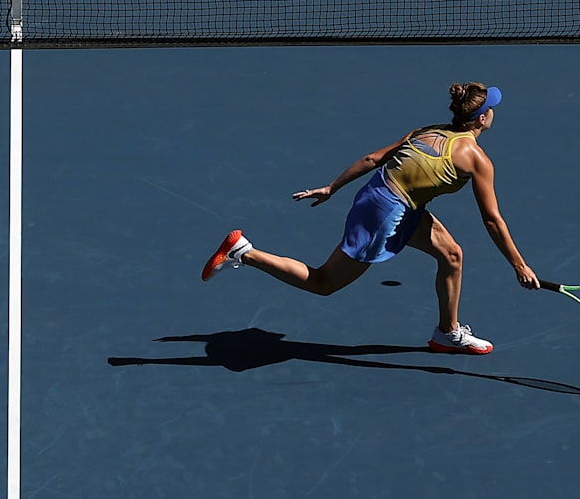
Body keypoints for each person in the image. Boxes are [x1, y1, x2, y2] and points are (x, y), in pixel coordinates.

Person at [201, 83, 542, 355]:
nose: (493, 111)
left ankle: (446, 333)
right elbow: (493, 220)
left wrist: (332, 187)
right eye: (490, 108)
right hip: (385, 213)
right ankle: (244, 253)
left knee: (452, 255)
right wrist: (519, 265)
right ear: (481, 119)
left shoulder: (427, 130)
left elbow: (373, 158)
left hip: (386, 197)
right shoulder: (477, 160)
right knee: (323, 283)